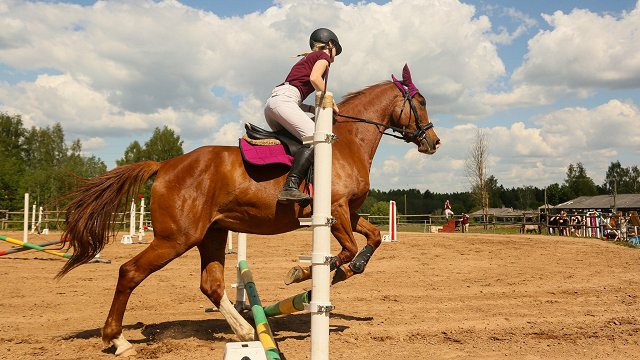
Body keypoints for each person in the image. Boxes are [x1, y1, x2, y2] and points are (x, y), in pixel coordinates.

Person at [264, 28, 342, 204]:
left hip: (274, 105)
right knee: (316, 140)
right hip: (284, 102)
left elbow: (294, 95)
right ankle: (290, 187)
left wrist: (310, 108)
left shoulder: (308, 58)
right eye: (336, 48)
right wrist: (331, 100)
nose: (336, 54)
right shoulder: (324, 57)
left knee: (298, 144)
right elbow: (315, 79)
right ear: (330, 44)